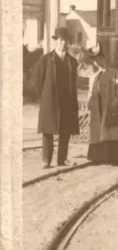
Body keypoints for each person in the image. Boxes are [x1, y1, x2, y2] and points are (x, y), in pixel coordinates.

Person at [32, 27, 80, 169]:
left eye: (65, 40)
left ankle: (62, 159)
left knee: (65, 131)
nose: (63, 43)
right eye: (60, 40)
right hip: (50, 100)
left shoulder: (72, 61)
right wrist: (43, 96)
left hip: (66, 101)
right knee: (48, 131)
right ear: (55, 41)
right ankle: (46, 160)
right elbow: (36, 79)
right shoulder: (46, 59)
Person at [86, 44, 118, 164]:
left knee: (112, 131)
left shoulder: (115, 74)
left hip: (110, 108)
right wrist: (89, 101)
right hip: (97, 109)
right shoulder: (93, 77)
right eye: (95, 60)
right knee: (98, 130)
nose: (98, 62)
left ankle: (114, 156)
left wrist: (115, 103)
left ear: (104, 58)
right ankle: (99, 156)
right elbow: (91, 91)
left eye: (100, 59)